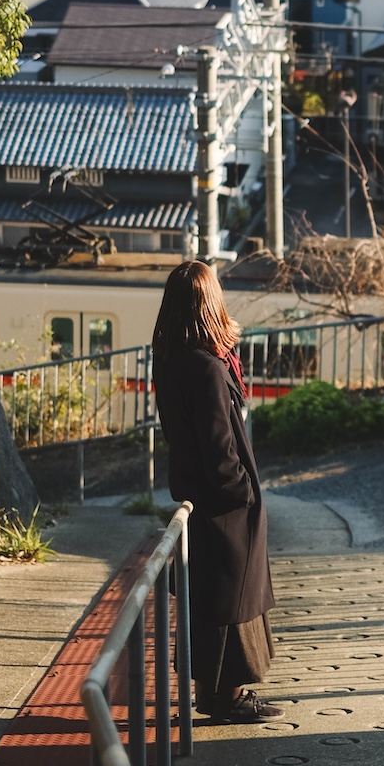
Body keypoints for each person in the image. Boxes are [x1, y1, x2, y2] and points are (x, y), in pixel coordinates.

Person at [152, 260, 282, 723]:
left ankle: (215, 694)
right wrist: (242, 491)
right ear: (210, 304)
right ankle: (226, 698)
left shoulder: (171, 359)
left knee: (216, 600)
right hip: (223, 503)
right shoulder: (206, 367)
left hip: (200, 496)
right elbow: (218, 446)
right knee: (231, 600)